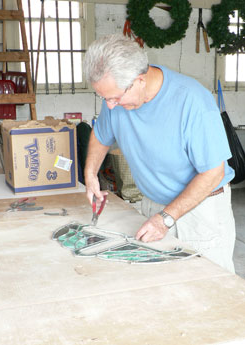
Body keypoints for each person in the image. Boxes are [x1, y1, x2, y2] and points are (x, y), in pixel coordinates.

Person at [83, 33, 236, 273]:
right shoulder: (114, 97)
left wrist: (166, 218)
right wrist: (90, 174)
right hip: (154, 205)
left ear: (140, 79)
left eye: (114, 98)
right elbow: (101, 135)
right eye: (104, 98)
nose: (109, 105)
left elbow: (213, 173)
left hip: (201, 212)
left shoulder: (193, 102)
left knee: (209, 287)